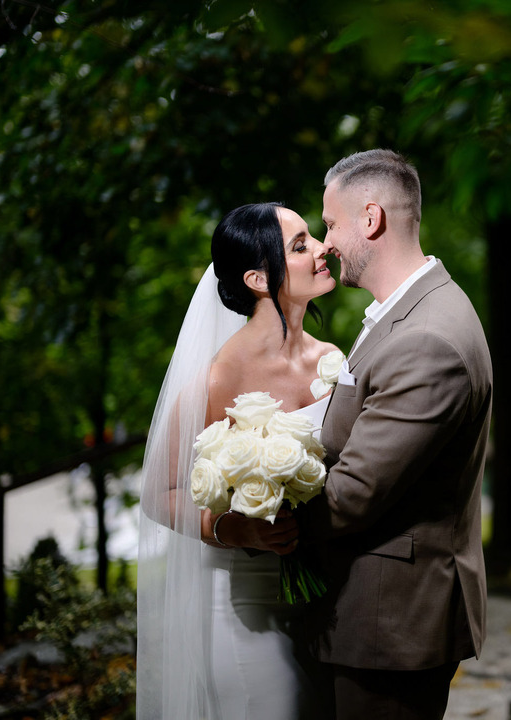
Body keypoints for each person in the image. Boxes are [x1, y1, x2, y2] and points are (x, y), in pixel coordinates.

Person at [137, 202, 339, 720]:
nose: (323, 249)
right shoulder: (216, 378)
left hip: (323, 600)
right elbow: (159, 494)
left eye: (313, 237)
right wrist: (234, 529)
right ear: (256, 278)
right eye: (300, 245)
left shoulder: (333, 362)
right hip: (244, 603)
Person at [310, 149, 492, 719]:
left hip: (389, 624)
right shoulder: (411, 313)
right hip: (381, 614)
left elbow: (350, 498)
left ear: (371, 220)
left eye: (331, 223)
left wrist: (247, 517)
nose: (325, 243)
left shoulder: (427, 340)